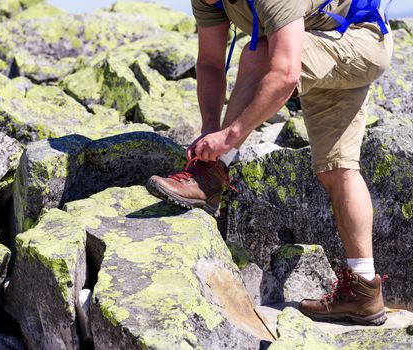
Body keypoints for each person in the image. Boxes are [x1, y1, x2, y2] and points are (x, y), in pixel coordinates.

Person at [147, 0, 393, 326]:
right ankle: (363, 291)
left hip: (361, 40)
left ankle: (210, 174)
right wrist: (210, 129)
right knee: (338, 169)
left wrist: (228, 139)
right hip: (323, 38)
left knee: (259, 54)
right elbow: (208, 64)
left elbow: (285, 73)